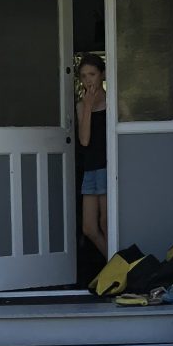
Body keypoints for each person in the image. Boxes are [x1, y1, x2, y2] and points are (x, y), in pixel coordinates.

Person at [75, 54, 108, 259]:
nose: (89, 80)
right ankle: (113, 265)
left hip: (107, 166)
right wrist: (87, 106)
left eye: (92, 74)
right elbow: (84, 140)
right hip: (91, 167)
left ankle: (116, 269)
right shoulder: (81, 105)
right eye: (84, 76)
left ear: (102, 75)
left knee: (106, 222)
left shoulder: (112, 101)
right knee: (89, 227)